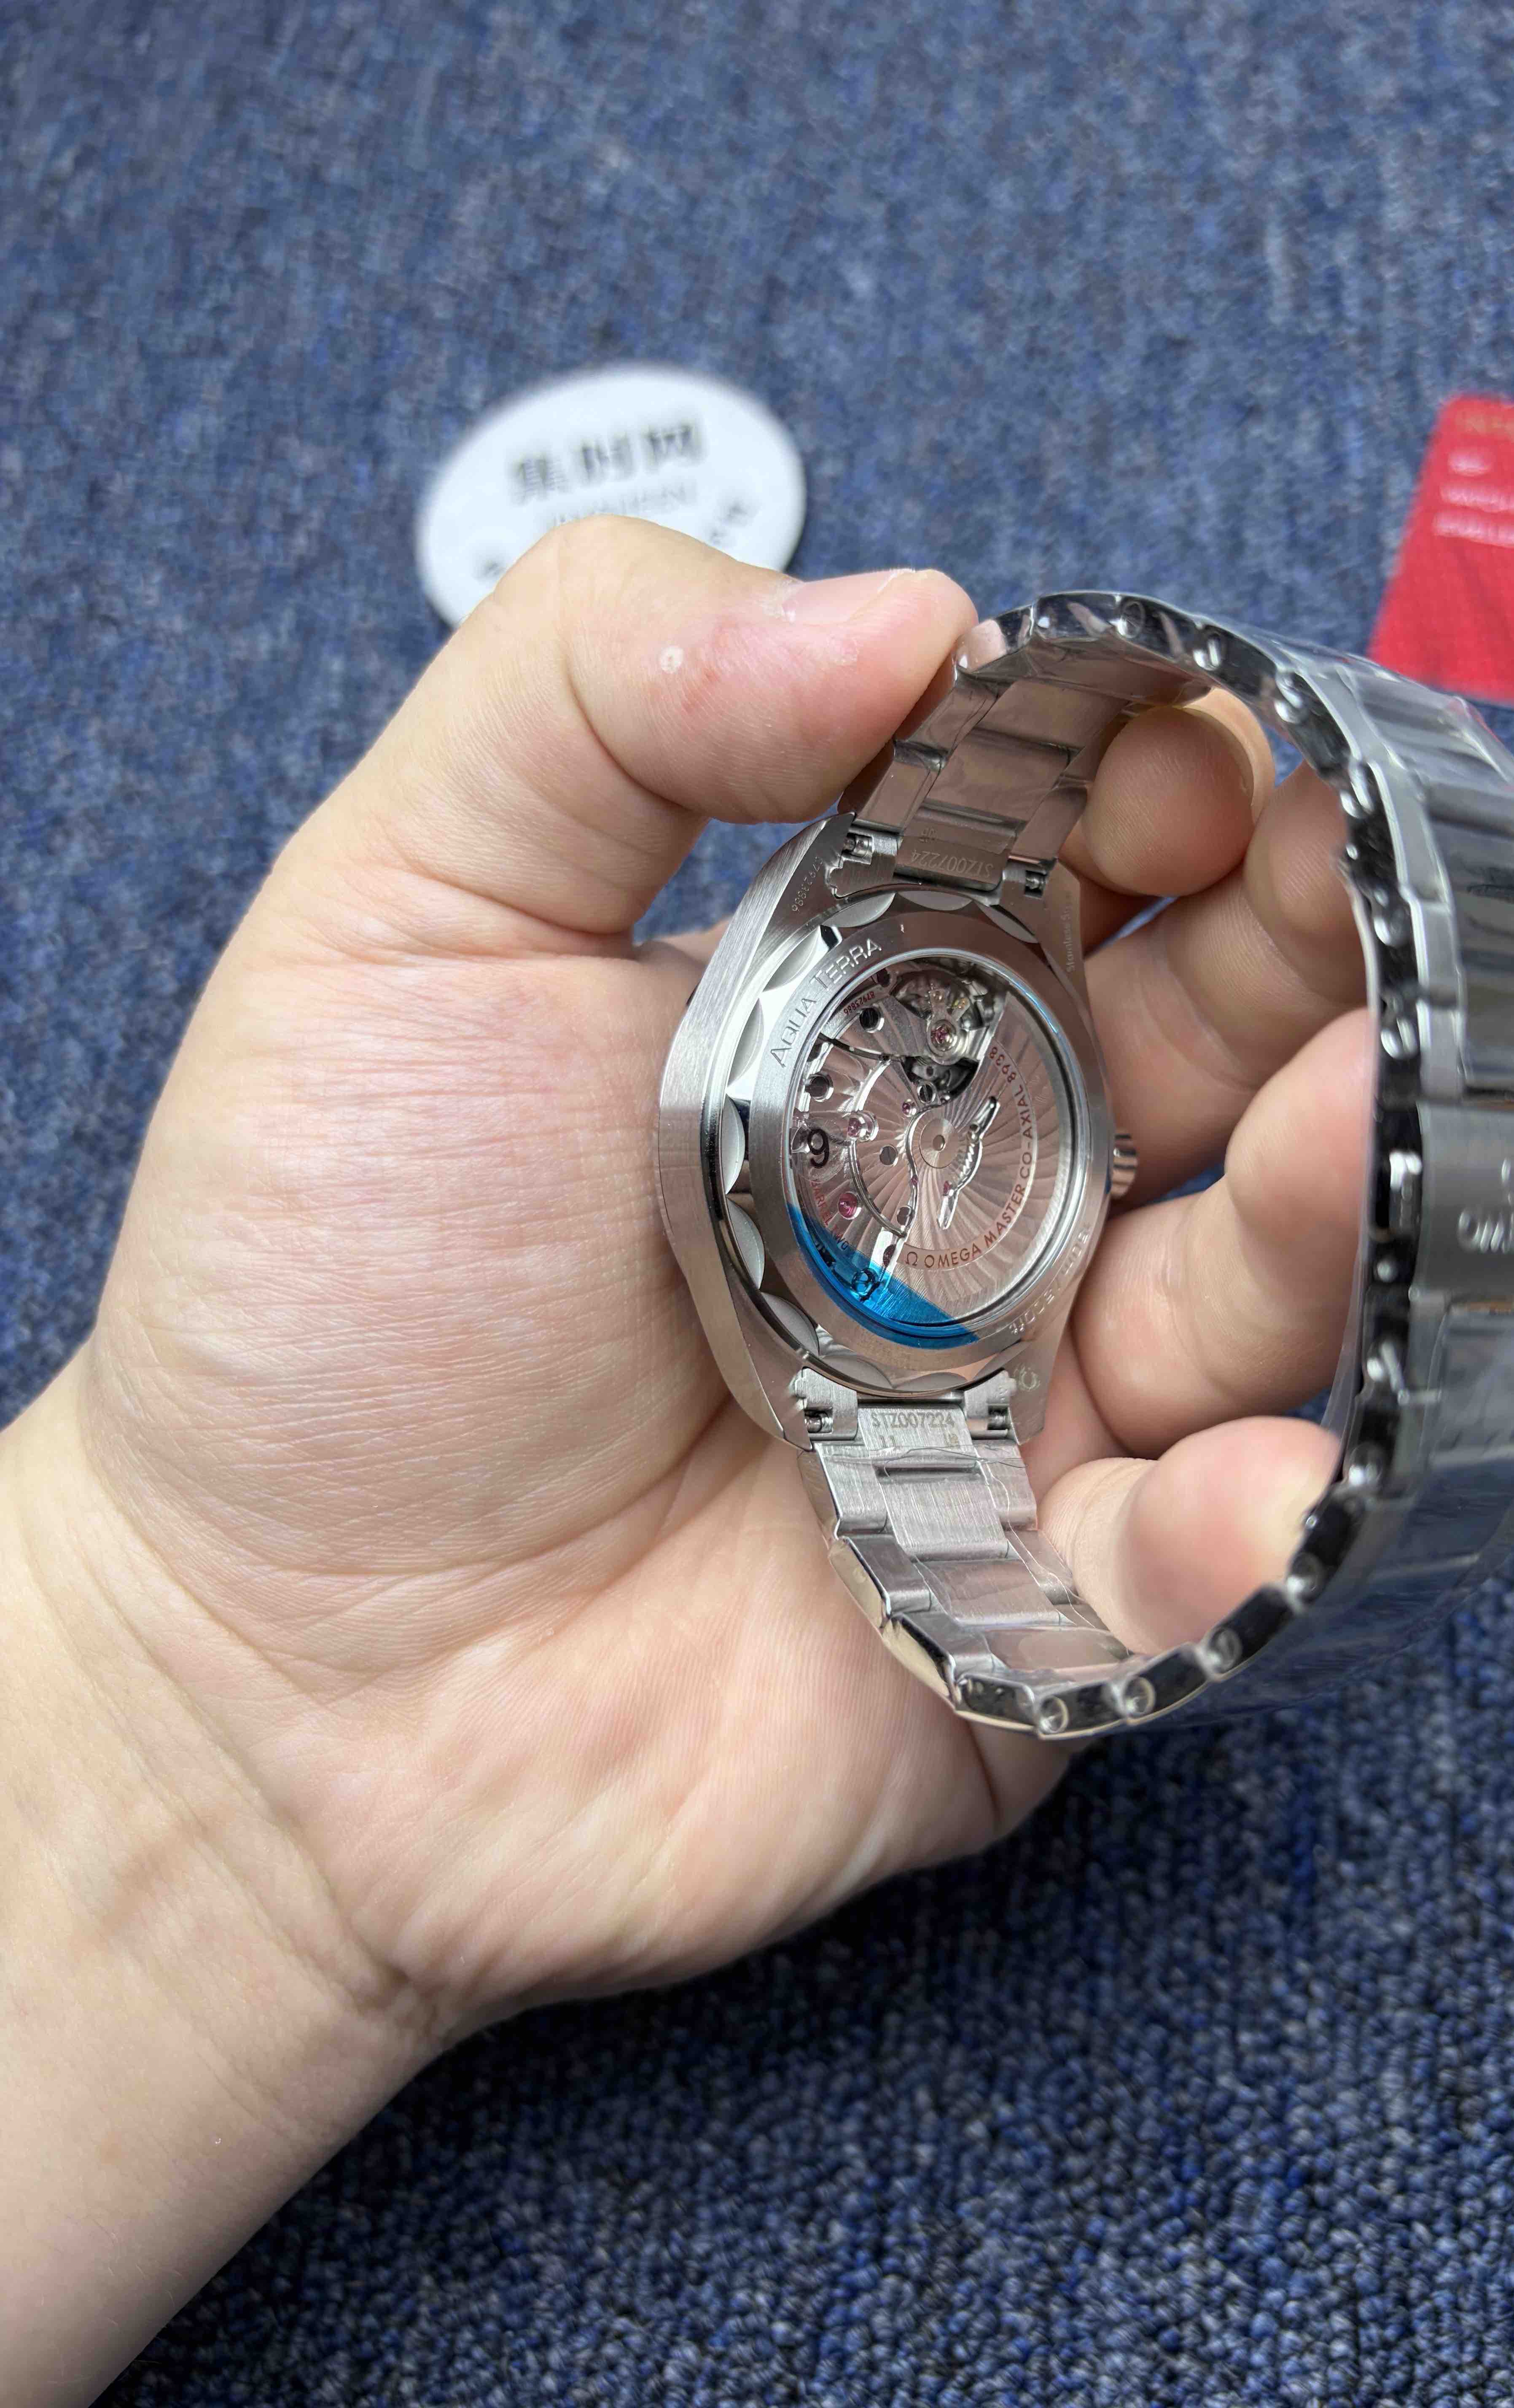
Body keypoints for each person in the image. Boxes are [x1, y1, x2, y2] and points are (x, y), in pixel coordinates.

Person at [0, 521, 1369, 2403]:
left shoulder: (999, 1110)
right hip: (904, 1296)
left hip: (948, 1277)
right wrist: (162, 1670)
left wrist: (144, 1713)